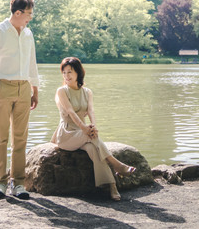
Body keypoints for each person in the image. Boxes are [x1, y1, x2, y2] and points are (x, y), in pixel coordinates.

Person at [50, 57, 136, 201]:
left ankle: (112, 186)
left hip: (83, 133)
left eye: (70, 72)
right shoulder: (62, 91)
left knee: (93, 150)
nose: (67, 76)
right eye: (64, 73)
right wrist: (84, 127)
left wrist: (93, 126)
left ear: (78, 72)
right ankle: (117, 165)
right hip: (67, 134)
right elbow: (70, 112)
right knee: (92, 136)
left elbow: (91, 111)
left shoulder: (87, 92)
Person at [0, 0, 39, 200]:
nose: (30, 17)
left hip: (24, 88)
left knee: (21, 139)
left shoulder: (28, 34)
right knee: (0, 138)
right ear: (17, 12)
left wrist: (35, 88)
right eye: (28, 14)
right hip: (3, 88)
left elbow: (32, 63)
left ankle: (19, 183)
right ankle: (1, 182)